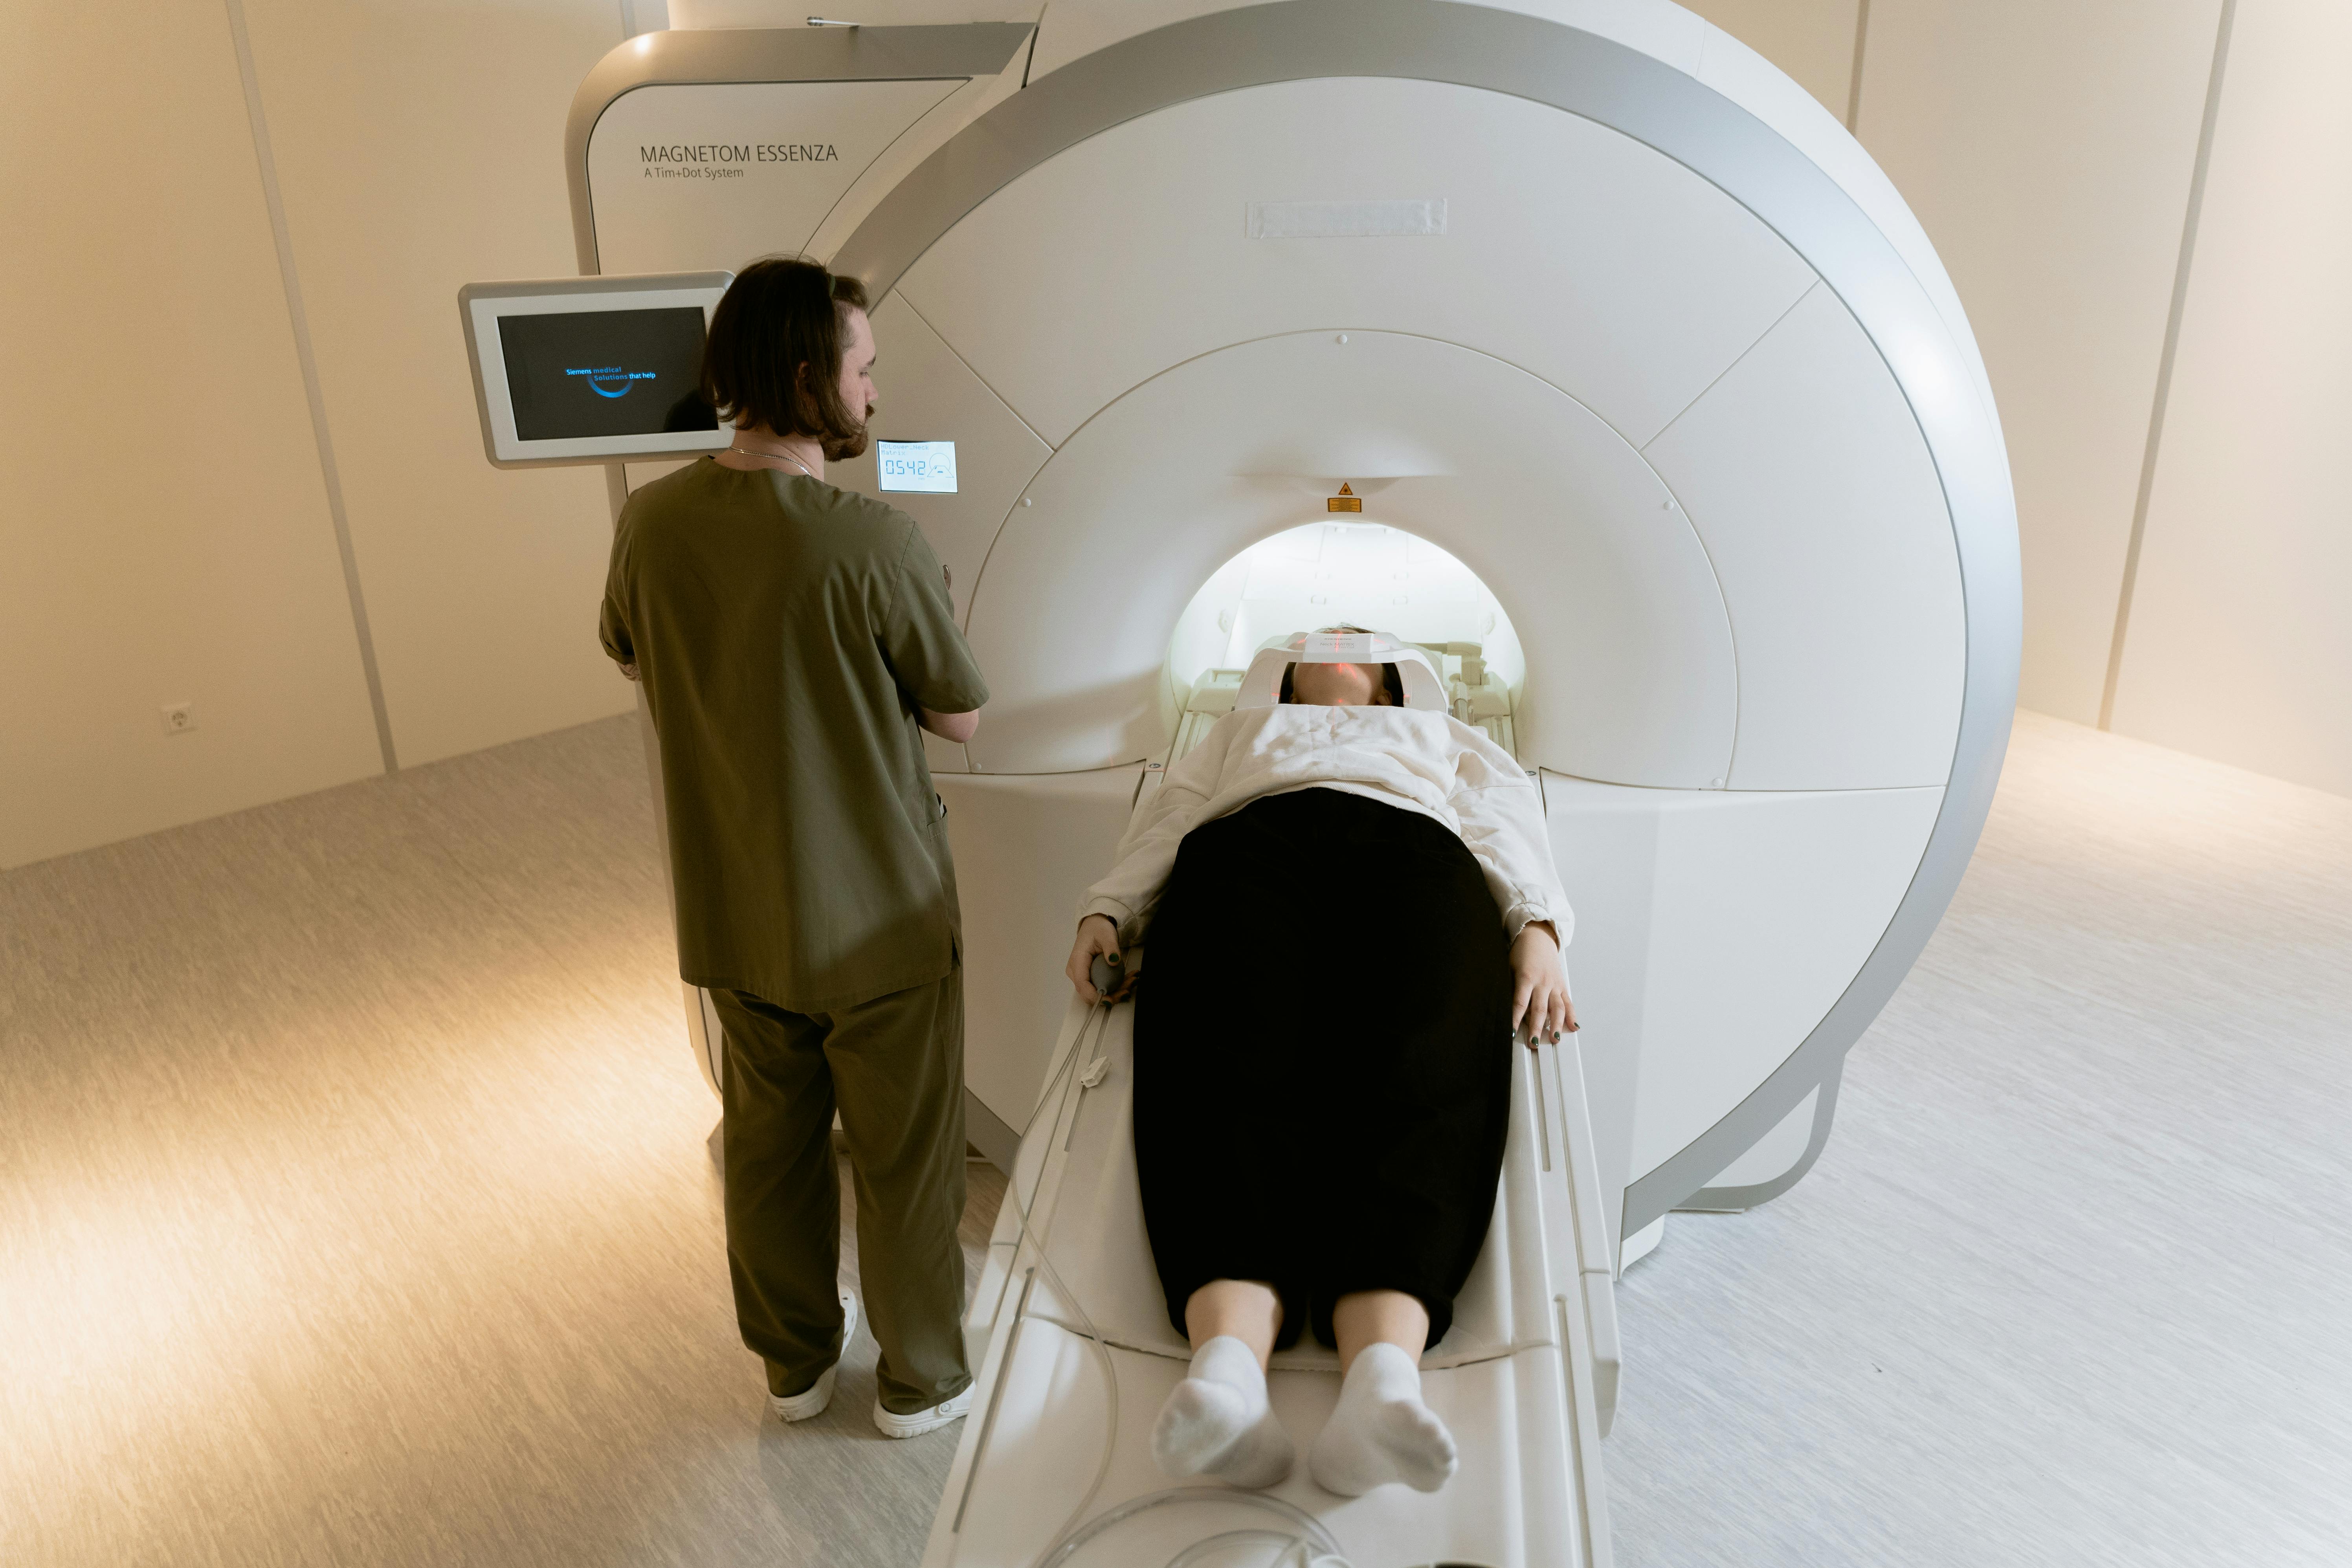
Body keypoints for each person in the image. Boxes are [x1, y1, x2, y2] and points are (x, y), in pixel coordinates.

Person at [601, 256, 988, 1439]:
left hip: (736, 912)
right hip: (877, 916)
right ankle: (919, 1379)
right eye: (866, 368)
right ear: (813, 377)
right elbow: (959, 714)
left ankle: (793, 1367)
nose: (878, 390)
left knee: (769, 1147)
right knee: (906, 1159)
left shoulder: (652, 523)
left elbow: (628, 651)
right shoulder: (872, 541)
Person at [1063, 641, 1575, 1496]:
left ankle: (1381, 1382)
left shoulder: (1435, 732)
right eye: (1313, 644)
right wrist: (1108, 907)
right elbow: (1172, 813)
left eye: (1358, 645)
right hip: (1246, 848)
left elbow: (1503, 812)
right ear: (1283, 677)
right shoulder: (1241, 732)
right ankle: (1225, 1375)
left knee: (1427, 1058)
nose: (1334, 650)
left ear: (1390, 681)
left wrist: (1536, 924)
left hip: (1416, 850)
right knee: (1226, 1053)